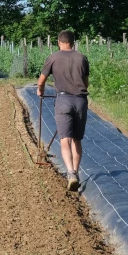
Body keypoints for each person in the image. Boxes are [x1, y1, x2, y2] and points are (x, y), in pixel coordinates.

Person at [37, 30, 89, 191]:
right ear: (73, 42)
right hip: (80, 101)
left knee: (65, 139)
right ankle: (76, 171)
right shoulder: (82, 58)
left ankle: (71, 173)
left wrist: (40, 90)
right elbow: (86, 83)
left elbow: (42, 80)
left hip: (63, 100)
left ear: (59, 42)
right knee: (77, 140)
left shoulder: (53, 57)